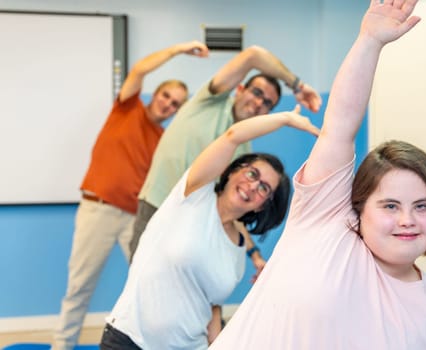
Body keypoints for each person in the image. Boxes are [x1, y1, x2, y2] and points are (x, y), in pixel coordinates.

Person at [208, 0, 426, 349]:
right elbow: (340, 127)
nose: (407, 219)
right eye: (390, 206)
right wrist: (370, 42)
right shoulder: (325, 225)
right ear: (359, 208)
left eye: (422, 206)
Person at [99, 106, 320, 350]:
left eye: (263, 188)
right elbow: (233, 136)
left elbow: (210, 307)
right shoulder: (194, 192)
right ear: (234, 170)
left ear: (262, 207)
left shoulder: (237, 252)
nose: (252, 185)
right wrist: (285, 118)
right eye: (251, 174)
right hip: (128, 340)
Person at [52, 41, 209, 350]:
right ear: (155, 94)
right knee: (80, 286)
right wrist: (178, 51)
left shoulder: (164, 139)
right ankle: (62, 345)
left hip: (135, 220)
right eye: (166, 96)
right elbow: (139, 69)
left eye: (176, 104)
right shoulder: (127, 108)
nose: (168, 105)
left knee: (150, 284)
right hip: (99, 210)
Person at [128, 44, 323, 277]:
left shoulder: (244, 156)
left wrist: (255, 255)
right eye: (257, 93)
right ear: (240, 89)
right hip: (155, 205)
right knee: (141, 283)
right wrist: (297, 85)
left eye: (268, 103)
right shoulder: (209, 101)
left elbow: (233, 207)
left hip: (189, 222)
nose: (260, 102)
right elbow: (254, 55)